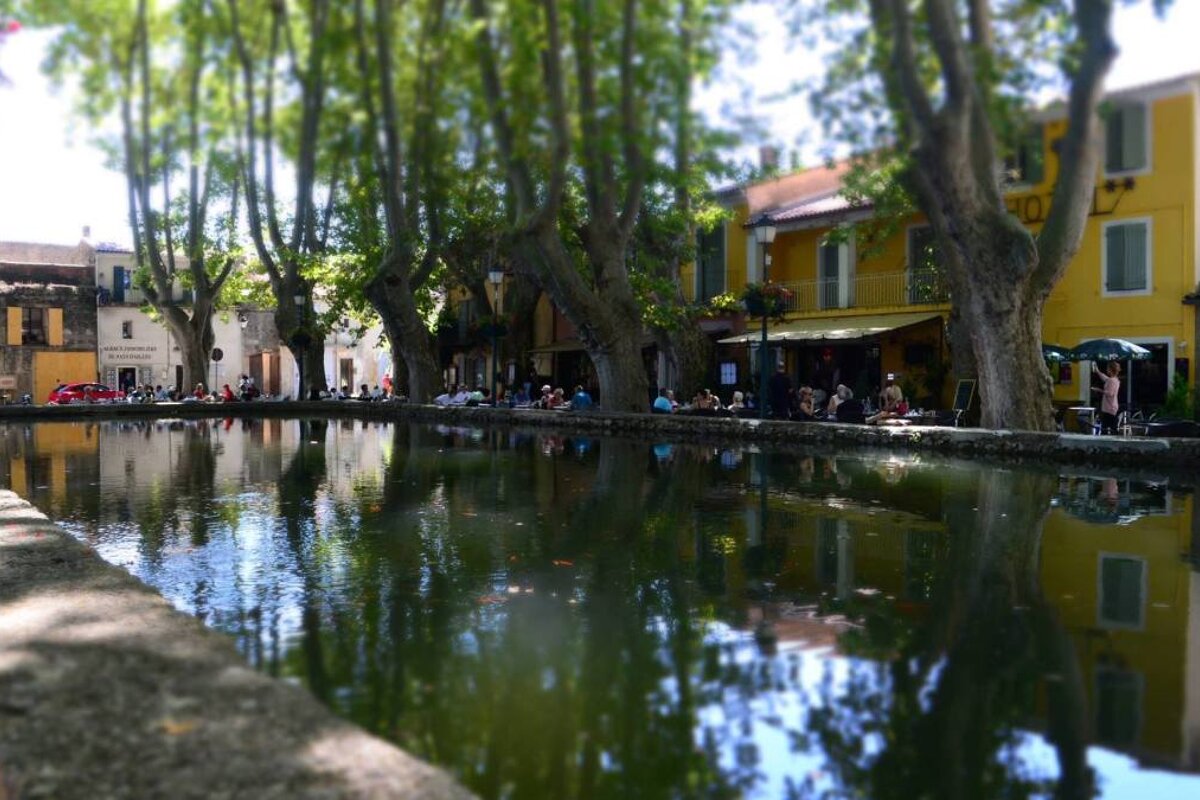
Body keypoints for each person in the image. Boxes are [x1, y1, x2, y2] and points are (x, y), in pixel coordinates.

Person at [1092, 361, 1122, 434]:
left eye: (1108, 368)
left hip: (1109, 407)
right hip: (1111, 407)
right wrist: (1097, 371)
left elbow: (1110, 393)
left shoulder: (1112, 380)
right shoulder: (1114, 379)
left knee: (1107, 428)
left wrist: (1098, 390)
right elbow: (1105, 378)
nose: (1107, 370)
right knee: (1110, 427)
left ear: (1111, 369)